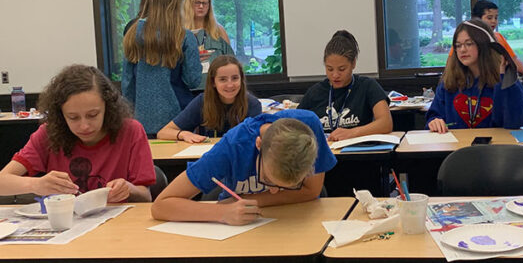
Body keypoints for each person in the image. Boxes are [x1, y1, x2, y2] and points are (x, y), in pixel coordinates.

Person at [0, 65, 155, 202]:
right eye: (73, 117)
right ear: (61, 115)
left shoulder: (130, 131)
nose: (84, 126)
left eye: (93, 115)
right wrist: (36, 184)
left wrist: (128, 189)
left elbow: (145, 195)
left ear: (108, 108)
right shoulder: (49, 134)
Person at [151, 109, 337, 225]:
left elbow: (312, 190)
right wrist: (222, 212)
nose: (274, 191)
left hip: (295, 222)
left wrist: (253, 199)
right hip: (242, 227)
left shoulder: (308, 129)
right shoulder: (232, 147)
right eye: (269, 180)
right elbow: (161, 206)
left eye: (288, 186)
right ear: (258, 144)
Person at [122, 0, 202, 135]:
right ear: (174, 5)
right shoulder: (184, 37)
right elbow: (193, 80)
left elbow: (128, 84)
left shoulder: (132, 34)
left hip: (141, 119)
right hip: (178, 118)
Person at [426, 19, 523, 133]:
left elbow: (517, 121)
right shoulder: (449, 81)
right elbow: (434, 115)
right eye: (458, 46)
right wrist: (434, 121)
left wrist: (502, 76)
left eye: (469, 44)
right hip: (458, 149)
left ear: (484, 45)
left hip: (498, 148)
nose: (462, 49)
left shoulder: (505, 79)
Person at [298, 30, 392, 141]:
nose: (335, 75)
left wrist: (353, 133)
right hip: (325, 153)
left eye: (342, 69)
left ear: (353, 64)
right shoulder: (315, 92)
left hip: (358, 153)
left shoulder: (367, 86)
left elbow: (386, 123)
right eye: (329, 69)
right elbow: (293, 124)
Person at [156, 55, 262, 142]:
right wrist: (183, 134)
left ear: (241, 79)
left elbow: (256, 138)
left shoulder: (252, 104)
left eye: (235, 78)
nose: (230, 85)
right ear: (213, 82)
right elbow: (163, 132)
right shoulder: (202, 101)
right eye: (223, 79)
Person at [471, 0, 523, 81]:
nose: (494, 21)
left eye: (496, 17)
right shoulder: (467, 39)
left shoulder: (498, 37)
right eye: (489, 18)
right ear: (477, 19)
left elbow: (513, 59)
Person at [184, 0, 234, 87]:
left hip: (216, 88)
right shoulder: (180, 32)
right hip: (189, 90)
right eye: (197, 2)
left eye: (205, 3)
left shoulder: (218, 30)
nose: (201, 6)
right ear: (188, 4)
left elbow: (231, 61)